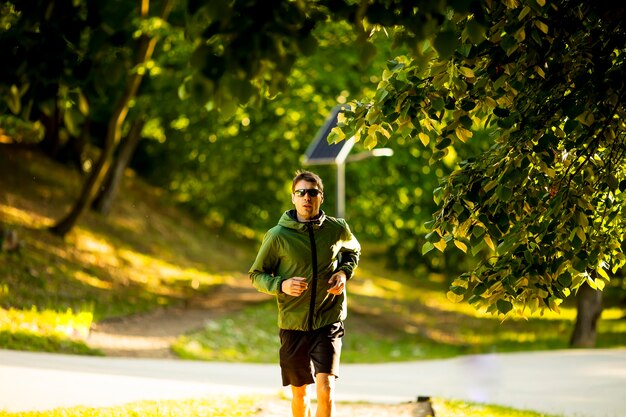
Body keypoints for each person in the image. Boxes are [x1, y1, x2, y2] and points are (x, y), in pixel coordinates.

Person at [249, 170, 361, 417]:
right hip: (293, 324)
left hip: (328, 318)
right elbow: (256, 274)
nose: (306, 197)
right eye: (301, 193)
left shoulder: (337, 228)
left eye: (312, 192)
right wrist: (281, 285)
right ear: (293, 198)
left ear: (321, 197)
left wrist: (343, 273)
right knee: (300, 394)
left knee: (326, 386)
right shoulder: (278, 236)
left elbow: (353, 251)